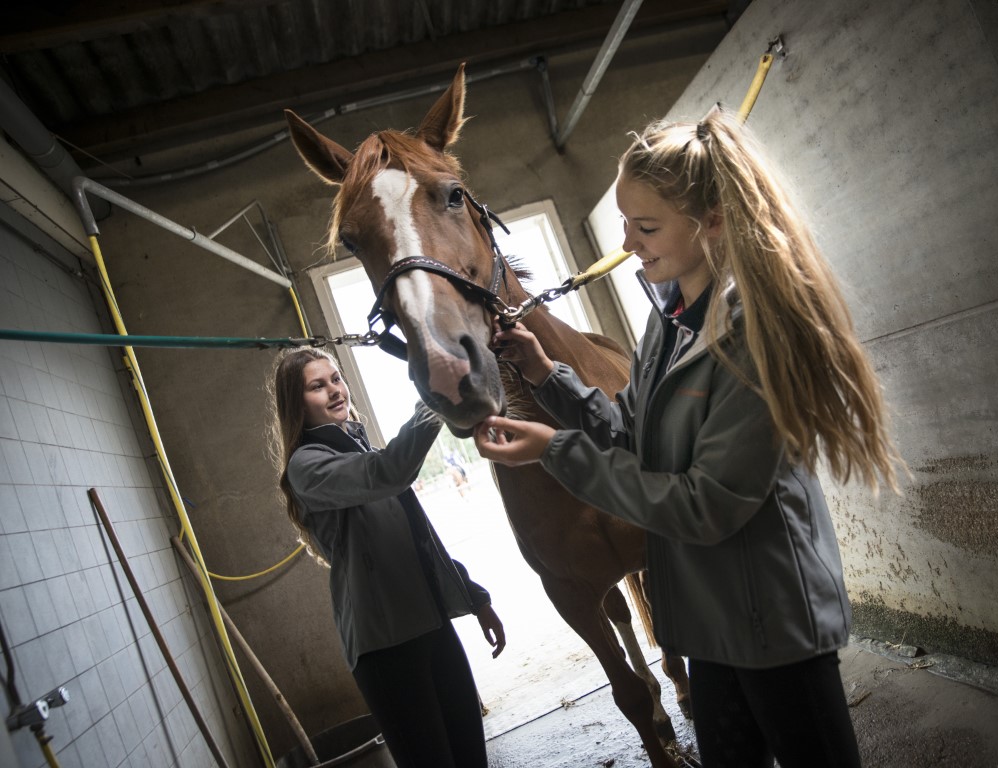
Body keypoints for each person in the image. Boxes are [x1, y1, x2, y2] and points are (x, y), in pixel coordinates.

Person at [474, 107, 903, 767]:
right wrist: (546, 376)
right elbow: (632, 435)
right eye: (625, 223)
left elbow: (706, 506)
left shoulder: (752, 339)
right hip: (708, 621)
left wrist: (556, 451)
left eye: (645, 227)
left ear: (713, 223)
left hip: (770, 624)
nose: (628, 242)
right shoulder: (669, 324)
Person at [270, 347, 505, 768]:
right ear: (296, 403)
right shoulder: (307, 465)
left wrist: (475, 598)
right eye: (317, 385)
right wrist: (433, 398)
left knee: (472, 756)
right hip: (384, 648)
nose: (334, 390)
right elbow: (390, 471)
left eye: (336, 378)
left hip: (431, 625)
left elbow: (416, 539)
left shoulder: (358, 445)